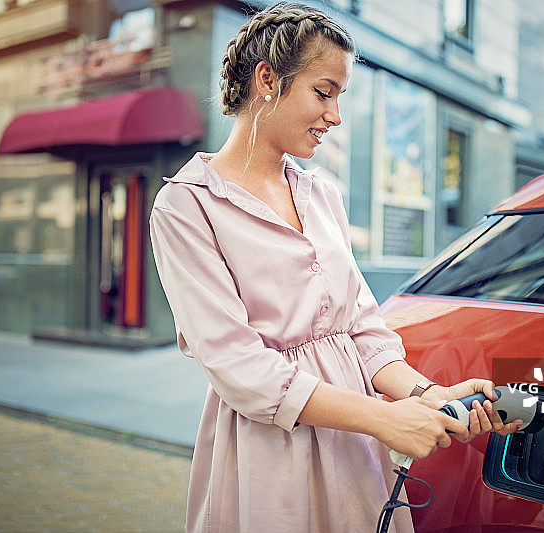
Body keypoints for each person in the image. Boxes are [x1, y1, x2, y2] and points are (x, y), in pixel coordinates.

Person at [149, 3, 521, 531]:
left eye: (340, 97)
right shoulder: (186, 206)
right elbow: (236, 365)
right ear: (266, 80)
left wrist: (426, 395)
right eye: (324, 92)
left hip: (357, 443)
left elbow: (362, 329)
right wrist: (383, 419)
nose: (336, 116)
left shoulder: (322, 194)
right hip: (273, 447)